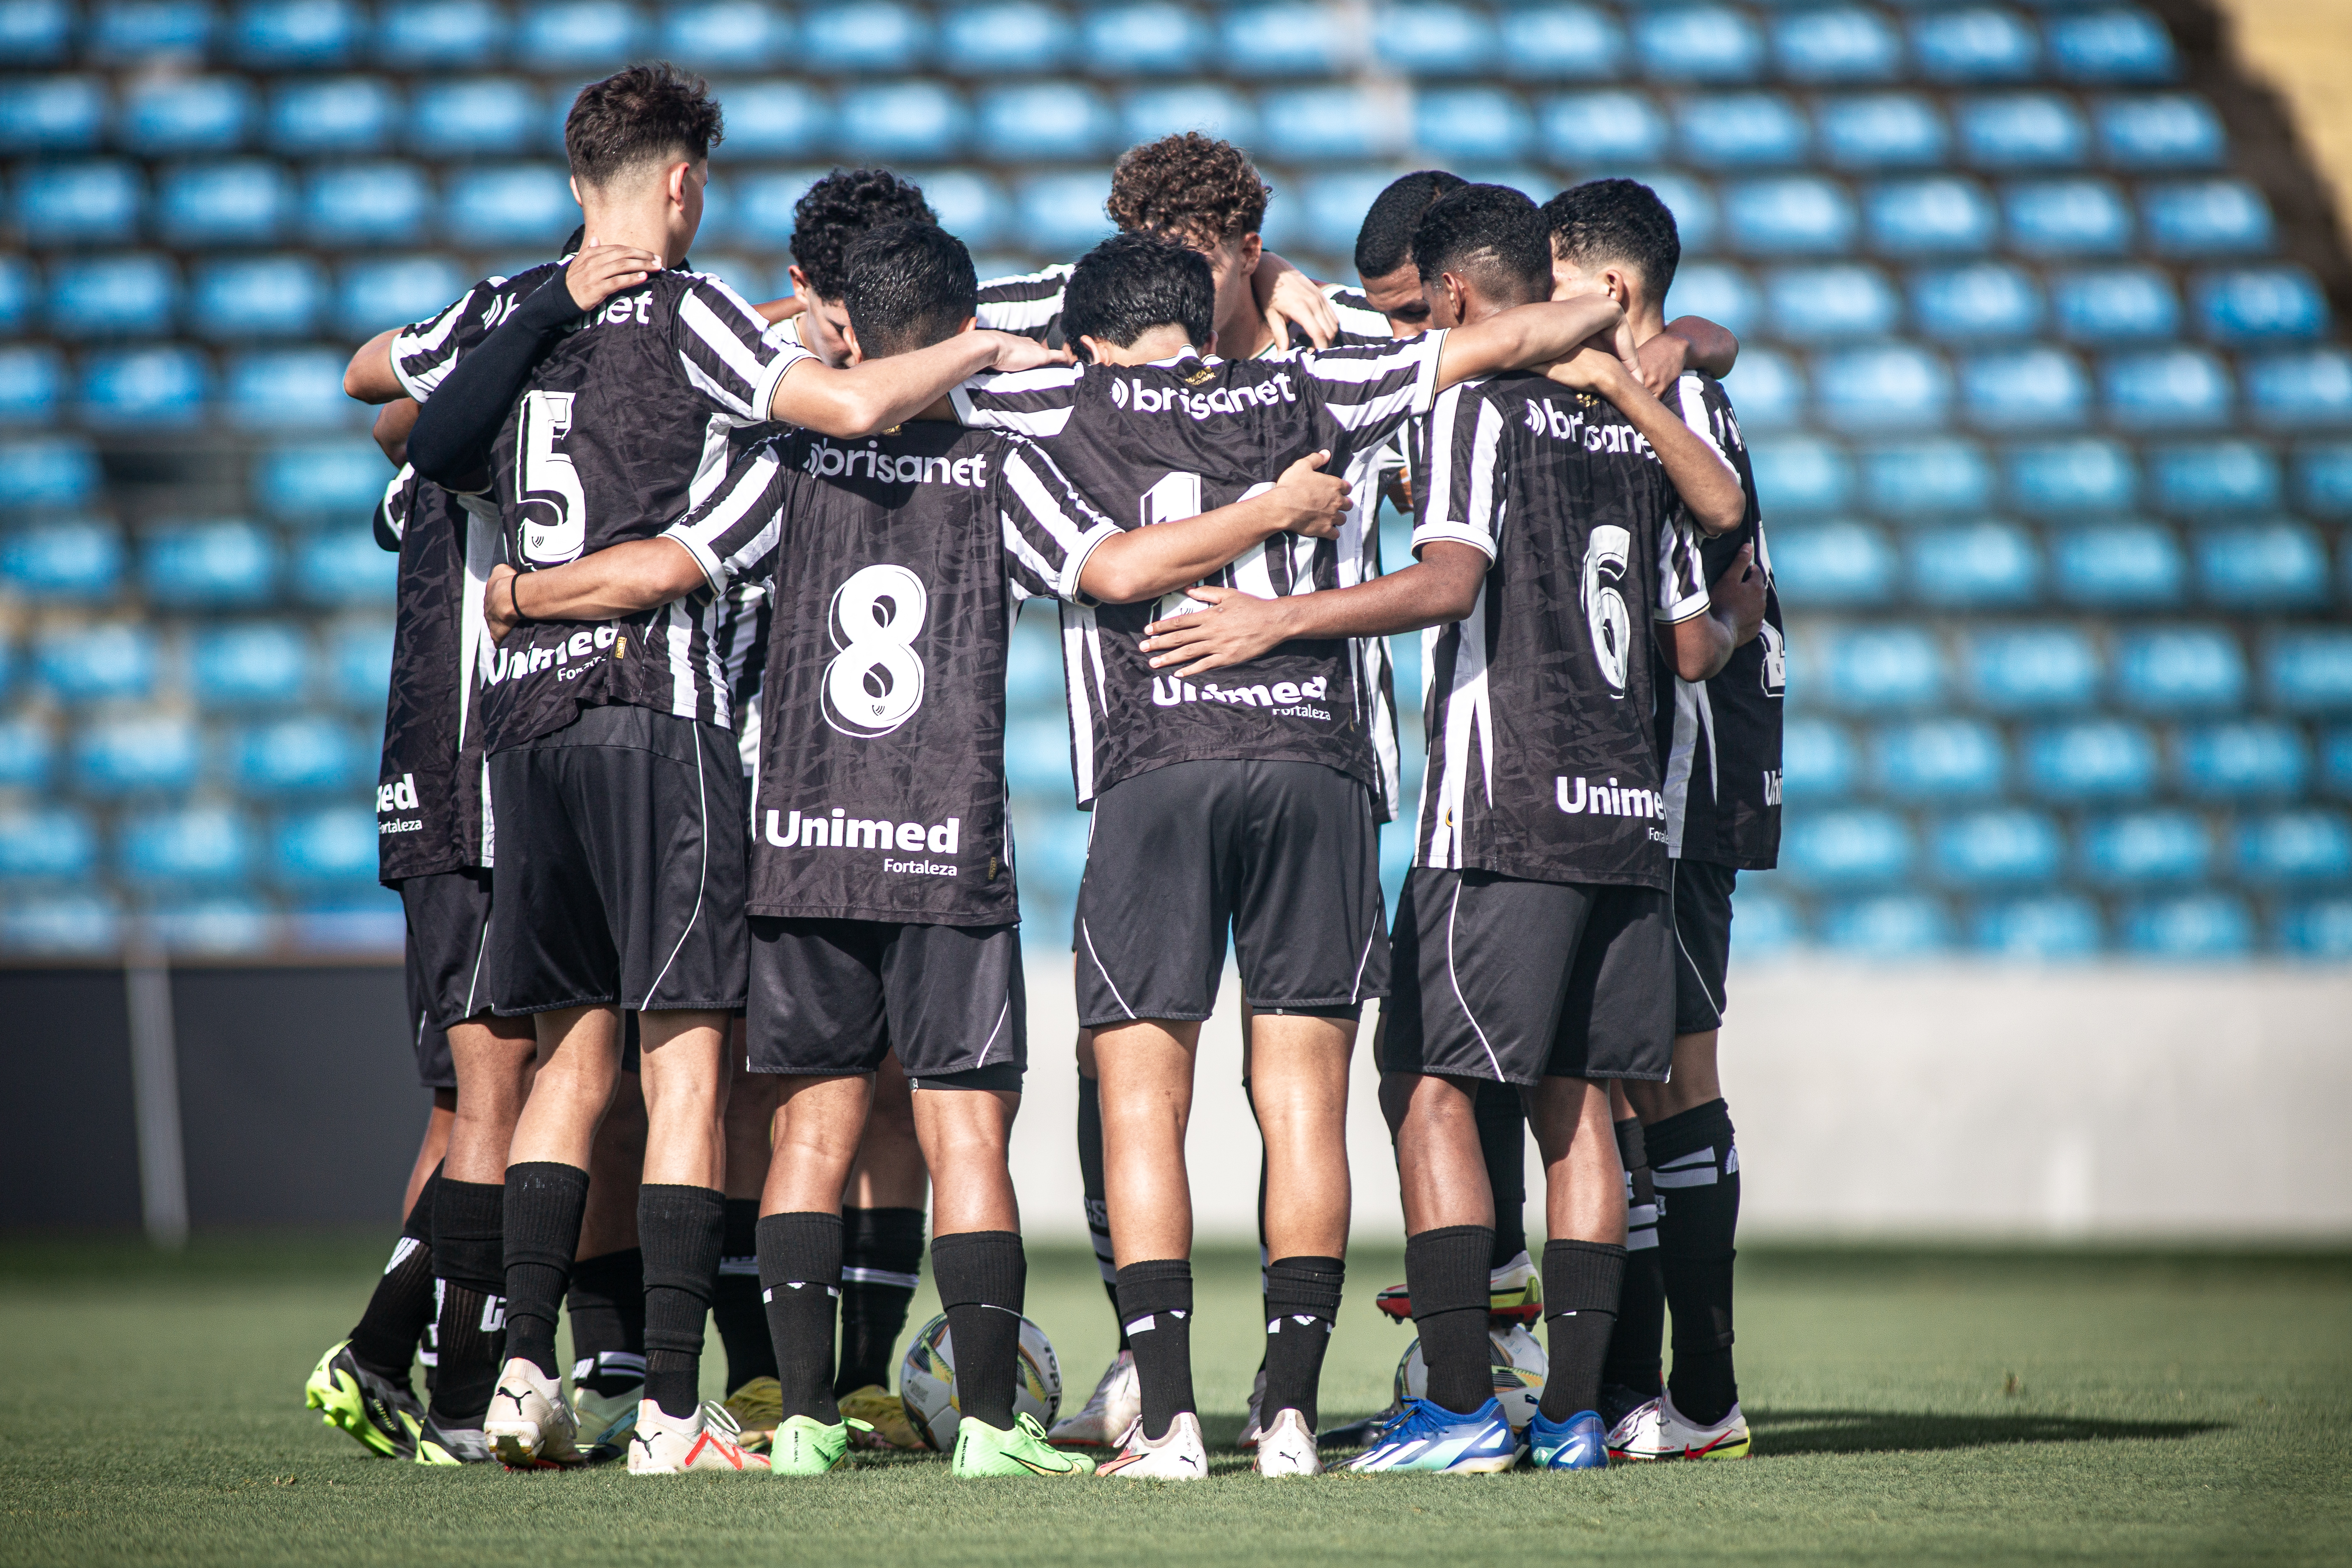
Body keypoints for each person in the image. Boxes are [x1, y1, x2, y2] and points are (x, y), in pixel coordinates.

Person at [395, 64, 1067, 1476]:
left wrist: (515, 597)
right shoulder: (692, 310)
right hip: (660, 707)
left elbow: (409, 421)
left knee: (567, 1060)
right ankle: (669, 1410)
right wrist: (965, 351)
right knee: (689, 1065)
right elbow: (836, 411)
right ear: (682, 184)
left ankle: (522, 1367)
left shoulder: (514, 310)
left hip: (521, 727)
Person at [949, 226, 1658, 1479]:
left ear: (1095, 337)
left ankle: (1164, 1416)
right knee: (1302, 1103)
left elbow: (877, 356)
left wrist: (1001, 343)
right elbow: (1499, 338)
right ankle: (1285, 1411)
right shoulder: (1321, 378)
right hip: (1319, 771)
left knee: (1142, 1103)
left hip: (1157, 766)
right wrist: (1602, 325)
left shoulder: (1058, 399)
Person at [1126, 183, 1747, 1473]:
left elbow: (1451, 578)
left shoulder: (1470, 401)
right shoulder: (1641, 411)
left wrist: (1276, 619)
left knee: (1427, 1090)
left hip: (1502, 804)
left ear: (1456, 300)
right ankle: (1574, 1415)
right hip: (1630, 815)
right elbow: (1696, 624)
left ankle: (1461, 1405)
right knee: (1581, 1109)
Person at [1545, 179, 1778, 1465]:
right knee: (1629, 1083)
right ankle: (1637, 1389)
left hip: (1675, 791)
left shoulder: (1667, 400)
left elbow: (1699, 631)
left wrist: (1734, 629)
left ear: (1611, 287)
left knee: (1672, 1077)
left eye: (1558, 274)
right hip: (1643, 792)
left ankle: (1702, 1394)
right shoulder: (1680, 369)